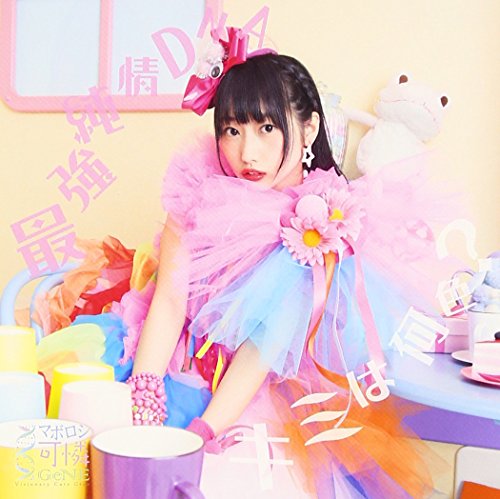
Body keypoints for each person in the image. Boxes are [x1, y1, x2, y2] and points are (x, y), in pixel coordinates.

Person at [36, 27, 455, 498]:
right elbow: (171, 301)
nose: (246, 153)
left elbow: (263, 347)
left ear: (309, 129)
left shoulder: (320, 222)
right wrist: (146, 390)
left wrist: (203, 432)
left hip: (263, 388)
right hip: (177, 355)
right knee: (97, 452)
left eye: (266, 128)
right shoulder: (198, 189)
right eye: (232, 130)